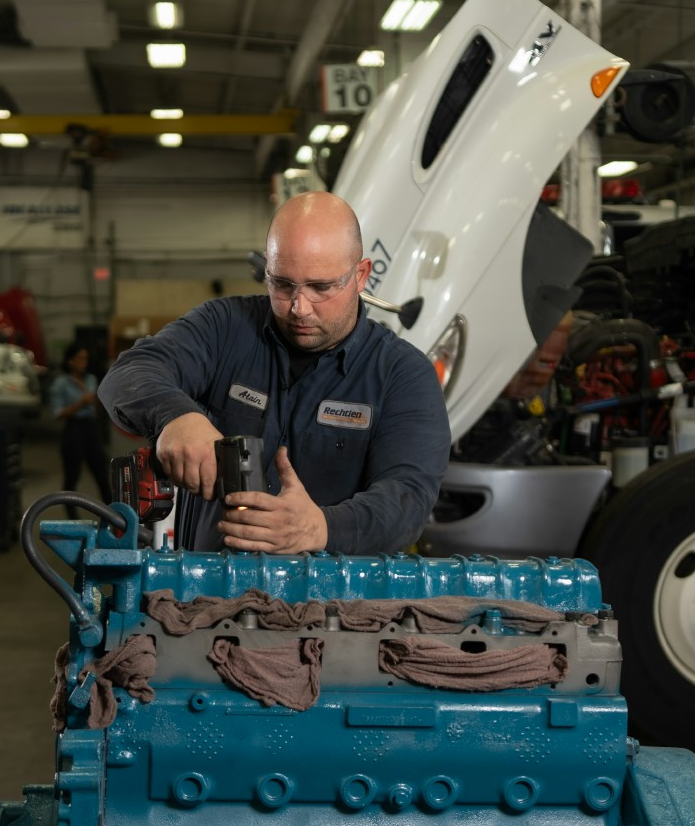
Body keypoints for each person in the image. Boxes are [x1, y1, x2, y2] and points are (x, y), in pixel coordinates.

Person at [98, 190, 451, 554]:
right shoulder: (224, 329)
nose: (299, 307)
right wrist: (175, 417)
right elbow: (130, 371)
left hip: (333, 605)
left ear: (360, 275)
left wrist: (322, 528)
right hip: (203, 598)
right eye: (282, 284)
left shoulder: (403, 375)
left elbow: (408, 497)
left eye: (320, 287)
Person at [49, 344, 113, 504]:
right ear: (71, 361)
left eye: (86, 359)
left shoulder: (90, 379)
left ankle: (114, 517)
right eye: (80, 358)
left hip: (91, 428)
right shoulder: (61, 383)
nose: (84, 362)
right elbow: (57, 414)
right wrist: (80, 403)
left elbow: (98, 406)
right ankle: (71, 518)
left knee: (101, 473)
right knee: (72, 477)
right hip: (74, 429)